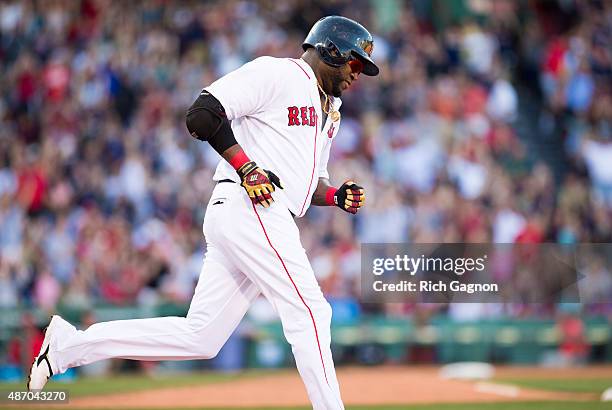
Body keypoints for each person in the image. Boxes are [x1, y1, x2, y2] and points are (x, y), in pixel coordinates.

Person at [28, 15, 378, 409]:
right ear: (330, 50)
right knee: (311, 311)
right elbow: (202, 113)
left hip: (256, 212)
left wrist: (333, 195)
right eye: (353, 63)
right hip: (252, 207)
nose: (357, 74)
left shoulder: (331, 110)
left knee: (201, 337)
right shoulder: (278, 73)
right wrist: (245, 166)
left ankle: (67, 346)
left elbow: (305, 183)